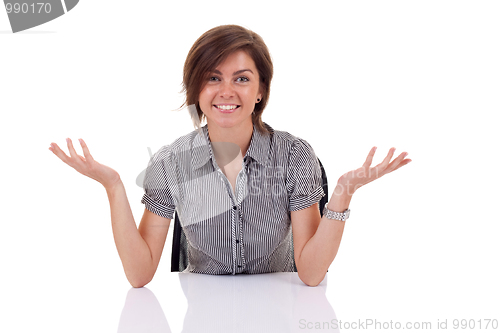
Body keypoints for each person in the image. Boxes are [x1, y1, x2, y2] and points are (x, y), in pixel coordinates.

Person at [48, 24, 411, 288]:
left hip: (280, 309)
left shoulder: (295, 155)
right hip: (205, 309)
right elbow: (140, 274)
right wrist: (112, 185)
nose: (226, 92)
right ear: (197, 89)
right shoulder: (170, 163)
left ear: (260, 90)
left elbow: (312, 274)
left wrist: (344, 194)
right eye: (212, 78)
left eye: (241, 79)